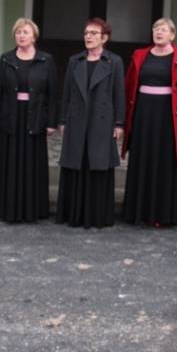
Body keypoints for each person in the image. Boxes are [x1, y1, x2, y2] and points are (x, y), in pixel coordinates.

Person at [121, 18, 177, 226]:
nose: (158, 32)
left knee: (166, 161)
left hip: (169, 117)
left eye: (163, 29)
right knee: (142, 158)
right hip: (143, 115)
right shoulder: (140, 55)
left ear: (172, 35)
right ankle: (138, 211)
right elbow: (129, 86)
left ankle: (165, 214)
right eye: (156, 29)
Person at [0, 18, 58, 222]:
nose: (21, 36)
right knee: (8, 162)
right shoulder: (6, 59)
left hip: (35, 117)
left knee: (32, 164)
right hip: (10, 117)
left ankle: (33, 209)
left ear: (34, 36)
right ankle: (6, 208)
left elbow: (53, 94)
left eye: (25, 32)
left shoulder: (46, 60)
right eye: (18, 32)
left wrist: (51, 122)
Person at [56, 18, 125, 229]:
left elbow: (119, 94)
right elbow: (66, 92)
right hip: (77, 119)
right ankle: (73, 214)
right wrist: (63, 119)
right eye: (86, 33)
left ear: (104, 38)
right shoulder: (75, 61)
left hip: (101, 121)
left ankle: (97, 215)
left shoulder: (114, 62)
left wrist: (119, 123)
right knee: (76, 163)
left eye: (94, 33)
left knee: (98, 164)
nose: (88, 37)